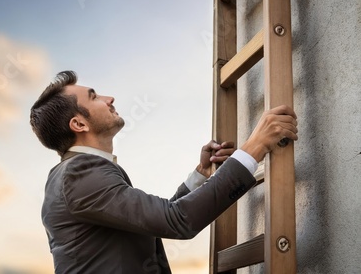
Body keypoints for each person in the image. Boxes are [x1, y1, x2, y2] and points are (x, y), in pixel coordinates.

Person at [30, 70, 298, 273]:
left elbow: (154, 221)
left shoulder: (79, 173)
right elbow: (177, 220)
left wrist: (200, 173)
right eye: (94, 96)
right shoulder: (80, 173)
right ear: (78, 123)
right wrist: (255, 146)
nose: (109, 98)